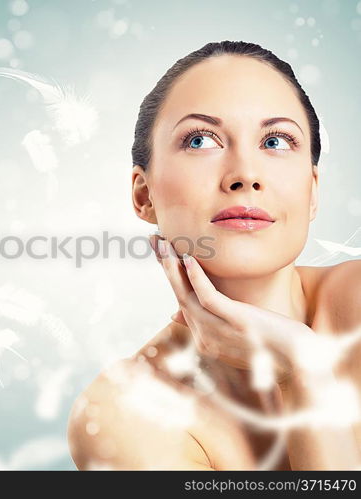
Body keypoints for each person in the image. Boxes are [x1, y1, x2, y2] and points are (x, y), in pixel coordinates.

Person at [67, 40, 361, 471]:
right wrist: (300, 370)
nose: (245, 174)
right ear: (143, 194)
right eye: (200, 139)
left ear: (313, 192)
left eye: (276, 140)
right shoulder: (122, 413)